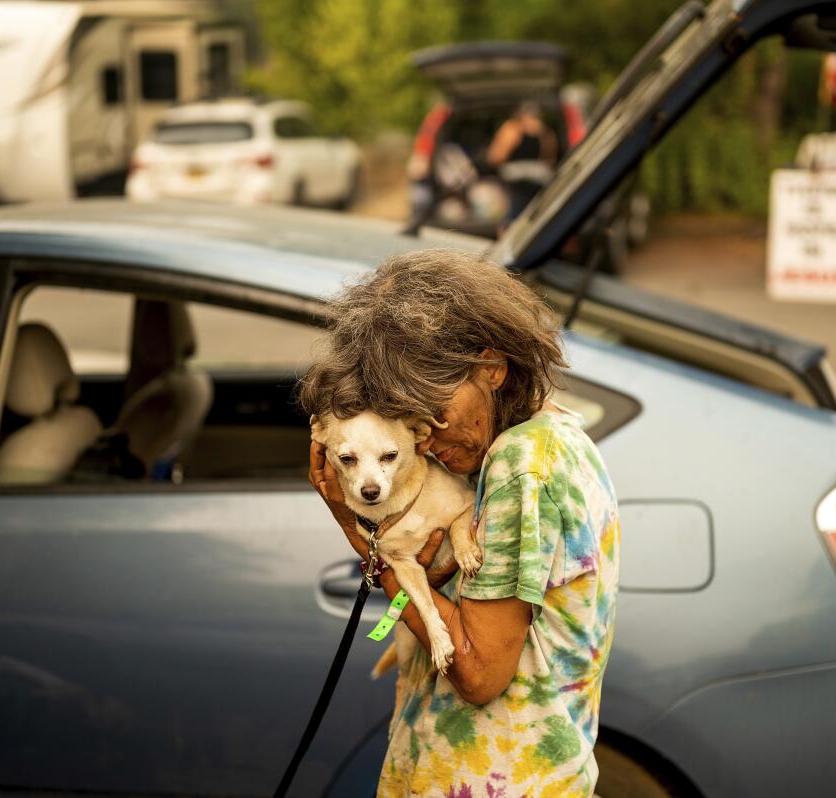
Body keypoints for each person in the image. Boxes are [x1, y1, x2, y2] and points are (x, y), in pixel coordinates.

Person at [300, 249, 620, 797]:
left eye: (429, 407)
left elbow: (477, 674)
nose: (422, 438)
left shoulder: (522, 466)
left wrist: (358, 531)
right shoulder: (549, 436)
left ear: (491, 369)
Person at [486, 101, 558, 223]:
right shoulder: (546, 133)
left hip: (516, 183)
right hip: (540, 180)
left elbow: (496, 157)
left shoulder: (511, 129)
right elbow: (550, 159)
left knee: (513, 218)